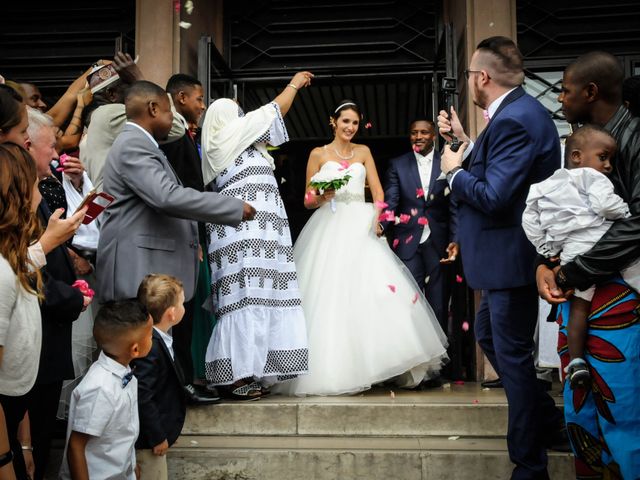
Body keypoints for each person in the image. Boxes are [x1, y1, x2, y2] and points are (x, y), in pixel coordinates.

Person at [437, 36, 563, 479]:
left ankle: (530, 466)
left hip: (511, 260)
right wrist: (467, 144)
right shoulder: (514, 114)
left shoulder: (516, 119)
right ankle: (549, 422)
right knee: (492, 338)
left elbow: (493, 195)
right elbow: (496, 168)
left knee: (510, 356)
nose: (470, 81)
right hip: (500, 261)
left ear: (482, 77)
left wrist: (453, 172)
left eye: (471, 74)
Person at [276, 101, 448, 396]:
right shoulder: (318, 154)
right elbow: (306, 199)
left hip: (360, 222)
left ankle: (380, 365)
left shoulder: (364, 152)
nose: (350, 128)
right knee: (329, 294)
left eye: (355, 123)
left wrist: (379, 219)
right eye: (345, 122)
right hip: (328, 224)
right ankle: (337, 369)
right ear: (333, 122)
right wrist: (321, 195)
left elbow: (379, 192)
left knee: (375, 292)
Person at [536, 51, 640, 478]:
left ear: (591, 92)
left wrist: (571, 272)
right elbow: (558, 214)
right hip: (578, 297)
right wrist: (544, 263)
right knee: (583, 413)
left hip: (620, 302)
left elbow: (637, 222)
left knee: (624, 410)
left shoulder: (633, 138)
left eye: (564, 89)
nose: (559, 98)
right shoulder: (582, 144)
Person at [96, 81, 253, 315]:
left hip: (146, 277)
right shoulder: (133, 144)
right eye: (170, 112)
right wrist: (232, 207)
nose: (173, 120)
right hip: (135, 276)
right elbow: (166, 197)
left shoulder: (144, 145)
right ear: (153, 108)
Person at [202, 72, 313, 399]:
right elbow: (275, 108)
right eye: (236, 112)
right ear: (225, 118)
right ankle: (235, 377)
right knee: (246, 297)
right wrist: (294, 84)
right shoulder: (227, 136)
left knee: (262, 296)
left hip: (262, 231)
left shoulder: (238, 142)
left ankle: (256, 369)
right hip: (243, 231)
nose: (242, 117)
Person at [524, 125, 640, 391]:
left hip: (571, 253)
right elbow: (605, 206)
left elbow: (529, 218)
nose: (608, 165)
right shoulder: (594, 178)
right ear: (577, 156)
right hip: (600, 246)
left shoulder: (550, 183)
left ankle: (576, 361)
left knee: (578, 309)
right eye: (603, 157)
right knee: (635, 273)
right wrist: (625, 213)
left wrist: (545, 249)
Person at [160, 74, 217, 402]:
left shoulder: (182, 132)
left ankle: (184, 381)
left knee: (185, 312)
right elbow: (182, 192)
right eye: (198, 98)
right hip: (180, 237)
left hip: (188, 236)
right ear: (180, 98)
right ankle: (182, 385)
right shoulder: (172, 134)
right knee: (179, 315)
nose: (202, 105)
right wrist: (194, 238)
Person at [59, 300, 152, 480]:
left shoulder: (124, 375)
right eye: (149, 335)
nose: (152, 339)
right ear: (135, 349)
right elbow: (76, 446)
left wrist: (131, 467)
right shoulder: (101, 389)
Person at [383, 118, 458, 339]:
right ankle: (414, 355)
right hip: (407, 241)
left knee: (438, 301)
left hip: (439, 241)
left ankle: (439, 356)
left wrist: (456, 240)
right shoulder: (397, 164)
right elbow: (391, 202)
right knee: (409, 300)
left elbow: (454, 206)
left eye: (424, 132)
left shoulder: (447, 161)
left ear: (433, 135)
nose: (418, 137)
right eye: (414, 132)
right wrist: (380, 225)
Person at [0, 144, 43, 480]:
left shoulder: (13, 261)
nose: (41, 193)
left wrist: (24, 443)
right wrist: (5, 463)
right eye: (36, 185)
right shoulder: (1, 273)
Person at [133, 275, 188, 480]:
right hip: (148, 442)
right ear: (171, 314)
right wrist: (157, 436)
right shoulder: (150, 346)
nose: (184, 307)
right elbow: (142, 394)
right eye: (182, 303)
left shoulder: (158, 338)